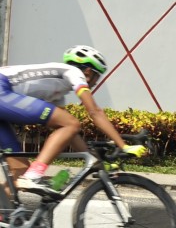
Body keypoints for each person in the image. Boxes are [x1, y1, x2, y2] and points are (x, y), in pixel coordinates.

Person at [1, 45, 147, 197]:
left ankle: (4, 216)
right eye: (98, 77)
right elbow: (94, 112)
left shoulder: (57, 94)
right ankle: (34, 174)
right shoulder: (73, 72)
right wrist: (123, 145)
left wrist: (94, 160)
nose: (96, 83)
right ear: (89, 72)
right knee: (71, 123)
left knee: (19, 174)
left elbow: (69, 133)